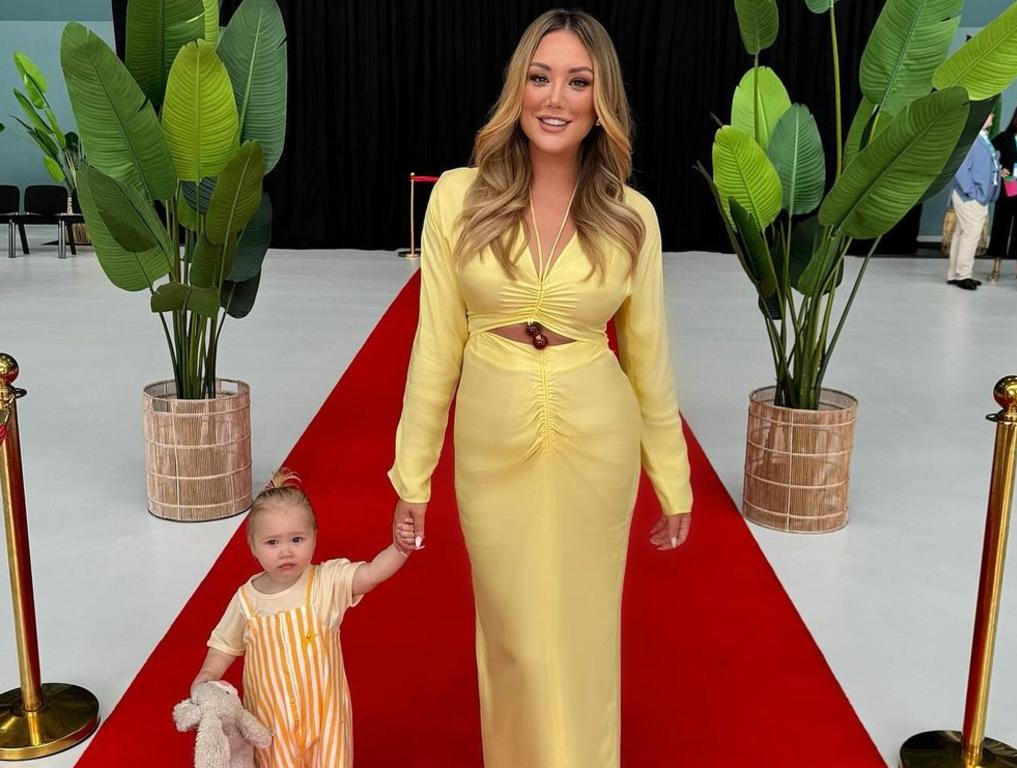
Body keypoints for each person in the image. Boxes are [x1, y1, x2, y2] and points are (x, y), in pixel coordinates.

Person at [388, 9, 692, 767]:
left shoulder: (632, 217)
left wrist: (674, 480)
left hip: (598, 440)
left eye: (579, 81)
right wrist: (411, 473)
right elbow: (435, 343)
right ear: (517, 88)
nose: (556, 98)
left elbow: (648, 356)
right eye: (540, 76)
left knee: (586, 638)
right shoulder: (459, 197)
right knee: (516, 638)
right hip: (492, 445)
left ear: (602, 100)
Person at [191, 469, 414, 767]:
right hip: (271, 724)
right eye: (272, 543)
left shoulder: (326, 582)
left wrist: (399, 549)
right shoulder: (247, 600)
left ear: (314, 537)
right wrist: (206, 678)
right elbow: (223, 645)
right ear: (252, 546)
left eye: (297, 539)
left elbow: (370, 574)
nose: (285, 551)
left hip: (326, 722)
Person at [948, 112, 1000, 290]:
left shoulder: (981, 138)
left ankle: (955, 274)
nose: (992, 117)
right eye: (989, 115)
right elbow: (961, 168)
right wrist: (973, 192)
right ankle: (964, 275)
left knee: (962, 234)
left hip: (976, 196)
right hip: (971, 197)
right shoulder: (972, 140)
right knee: (971, 235)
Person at [988, 102, 1017, 282]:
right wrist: (999, 169)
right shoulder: (1005, 137)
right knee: (1002, 224)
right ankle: (996, 268)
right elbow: (988, 152)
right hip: (1010, 184)